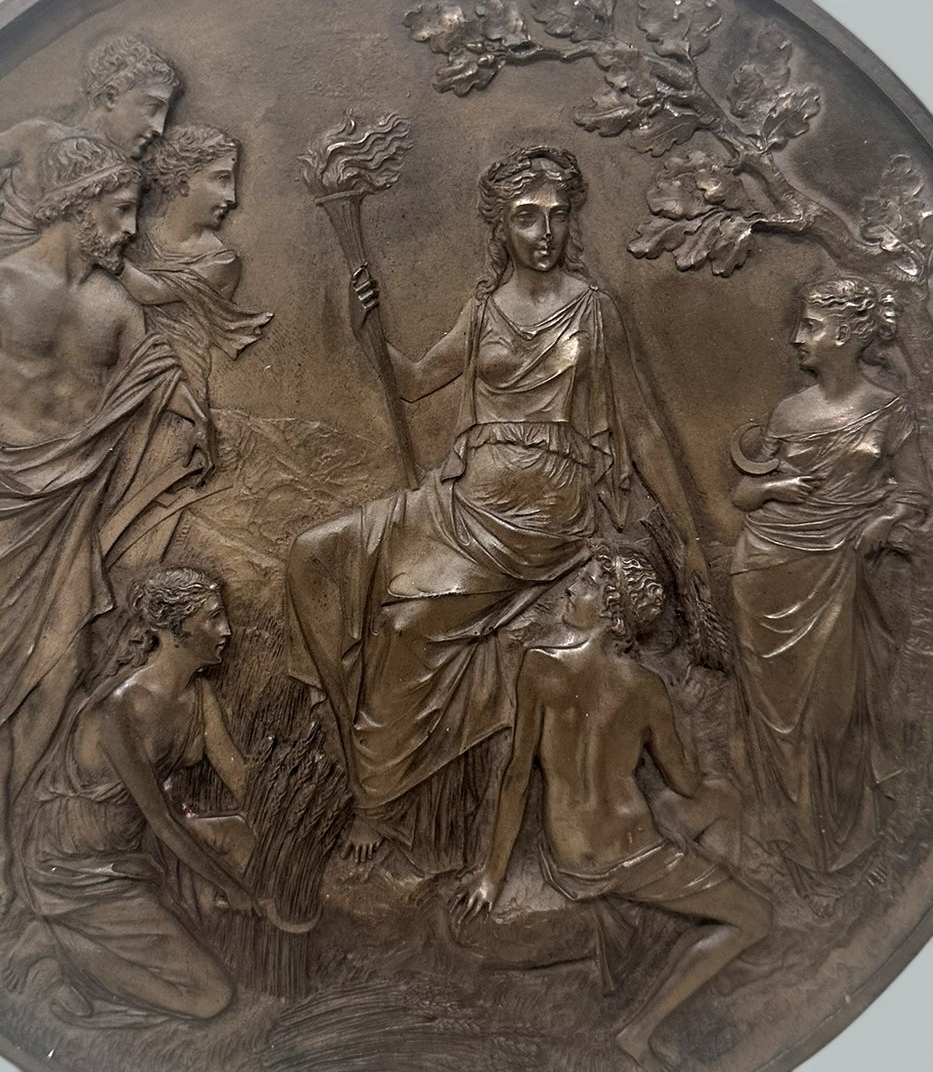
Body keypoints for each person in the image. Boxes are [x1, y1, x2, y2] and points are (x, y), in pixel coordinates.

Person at [286, 146, 709, 873]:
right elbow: (413, 382)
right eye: (525, 217)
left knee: (408, 624)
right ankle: (343, 721)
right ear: (500, 227)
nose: (543, 233)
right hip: (459, 498)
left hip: (543, 515)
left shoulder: (594, 310)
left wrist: (690, 534)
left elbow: (639, 427)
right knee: (311, 555)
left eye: (557, 216)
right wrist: (366, 328)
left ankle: (375, 799)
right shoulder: (483, 310)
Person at [0, 134, 214, 912]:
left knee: (62, 668)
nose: (130, 228)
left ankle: (16, 813)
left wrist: (194, 416)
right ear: (80, 207)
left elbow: (156, 376)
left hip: (64, 510)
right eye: (121, 210)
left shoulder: (115, 307)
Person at [456, 546, 772, 1072]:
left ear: (608, 609)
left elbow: (516, 777)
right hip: (631, 855)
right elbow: (685, 782)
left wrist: (492, 876)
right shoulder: (644, 686)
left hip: (570, 854)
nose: (570, 590)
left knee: (710, 804)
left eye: (584, 585)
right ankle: (639, 1030)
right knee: (756, 915)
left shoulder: (538, 667)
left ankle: (693, 924)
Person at [730, 277, 930, 904]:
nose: (797, 338)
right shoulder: (789, 414)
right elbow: (745, 493)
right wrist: (774, 488)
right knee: (777, 721)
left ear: (846, 336)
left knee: (835, 715)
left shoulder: (888, 411)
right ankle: (792, 846)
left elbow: (917, 492)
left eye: (811, 326)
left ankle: (844, 849)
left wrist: (886, 520)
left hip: (841, 572)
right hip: (767, 571)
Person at [19, 568, 259, 1022]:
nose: (227, 630)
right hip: (78, 862)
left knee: (244, 836)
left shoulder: (198, 694)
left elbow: (240, 780)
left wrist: (286, 827)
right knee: (210, 997)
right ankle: (54, 945)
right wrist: (231, 885)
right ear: (175, 629)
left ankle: (206, 920)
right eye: (213, 618)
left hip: (133, 842)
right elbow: (162, 820)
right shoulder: (122, 707)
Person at [0, 33, 180, 261]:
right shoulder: (39, 138)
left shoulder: (126, 176)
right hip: (3, 276)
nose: (159, 128)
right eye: (153, 108)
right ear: (110, 96)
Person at [134, 124, 272, 406]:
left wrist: (109, 259)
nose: (232, 198)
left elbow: (152, 292)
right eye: (222, 179)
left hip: (177, 380)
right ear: (183, 181)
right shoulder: (135, 236)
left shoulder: (222, 262)